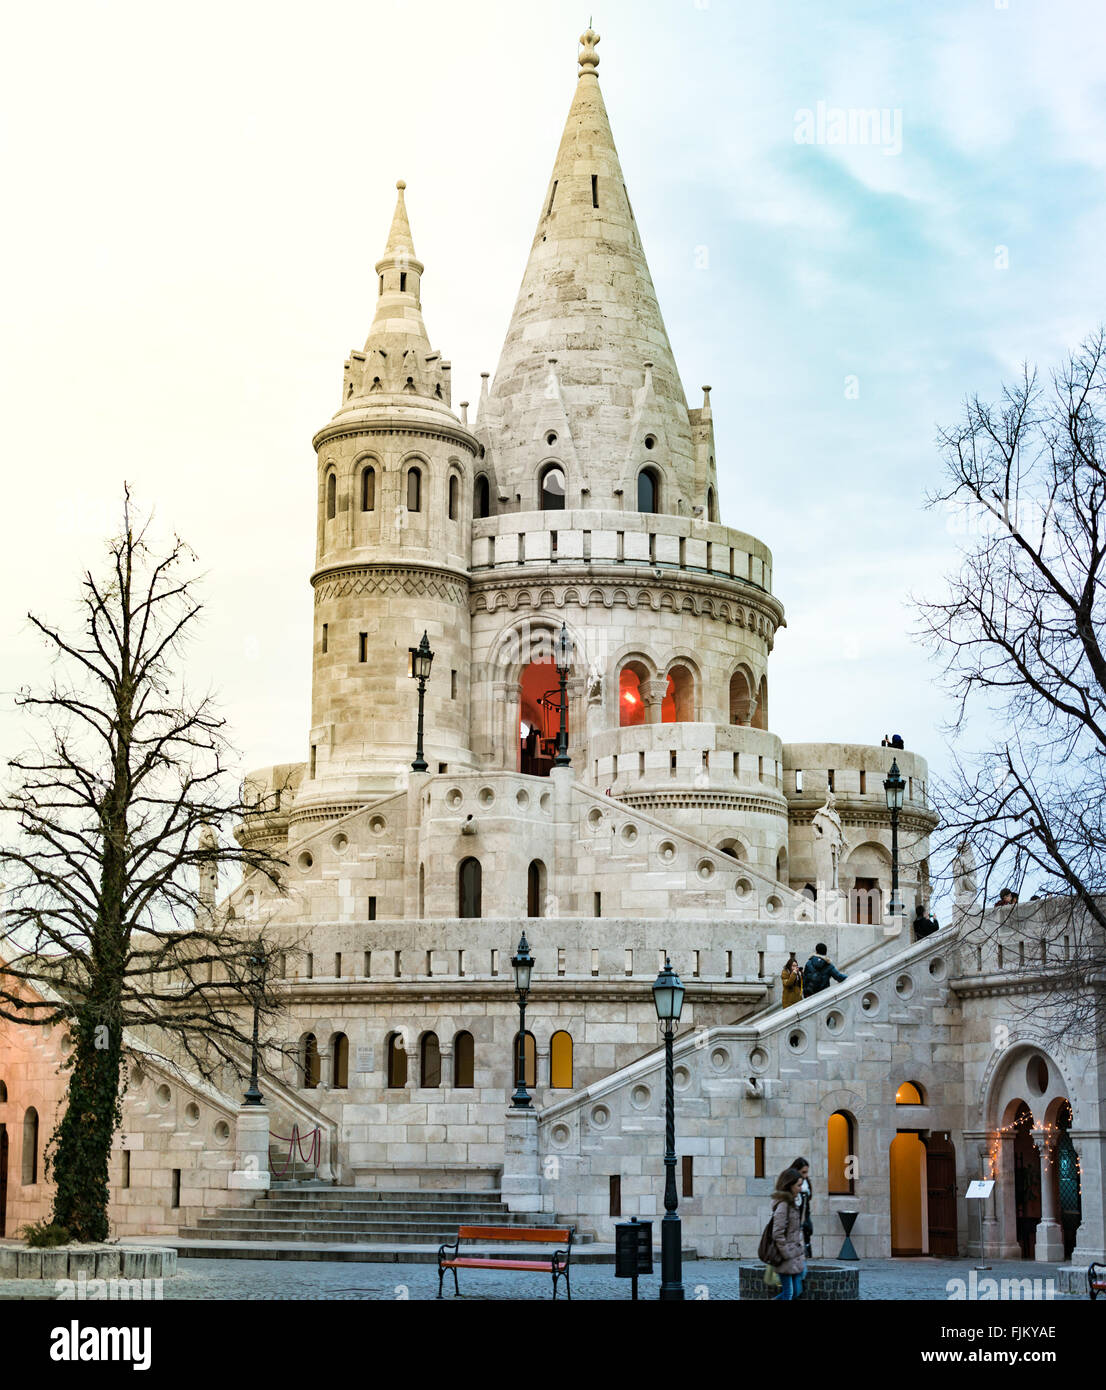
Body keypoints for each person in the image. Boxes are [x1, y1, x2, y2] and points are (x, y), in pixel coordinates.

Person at [770, 1167, 806, 1301]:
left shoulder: (792, 1203)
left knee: (796, 1291)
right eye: (798, 1185)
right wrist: (786, 1253)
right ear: (789, 1185)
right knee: (789, 1293)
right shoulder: (783, 1205)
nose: (801, 1188)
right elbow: (777, 1232)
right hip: (786, 1257)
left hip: (795, 1256)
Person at [791, 1154, 814, 1257]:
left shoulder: (805, 1183)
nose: (805, 1175)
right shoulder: (792, 1184)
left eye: (806, 1172)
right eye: (803, 1172)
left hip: (804, 1215)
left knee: (807, 1232)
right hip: (795, 1216)